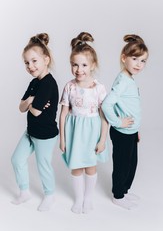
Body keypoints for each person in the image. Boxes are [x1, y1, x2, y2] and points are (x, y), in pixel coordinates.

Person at [59, 32, 109, 214]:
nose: (79, 69)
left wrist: (103, 140)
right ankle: (78, 198)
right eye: (75, 65)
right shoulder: (69, 86)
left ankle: (88, 198)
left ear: (93, 65)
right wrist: (62, 139)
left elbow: (104, 117)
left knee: (90, 165)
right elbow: (63, 114)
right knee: (76, 166)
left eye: (84, 65)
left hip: (92, 131)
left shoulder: (99, 88)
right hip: (74, 132)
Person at [11, 33, 59, 211]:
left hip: (45, 135)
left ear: (46, 59)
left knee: (43, 165)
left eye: (34, 61)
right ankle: (24, 192)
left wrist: (30, 102)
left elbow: (36, 112)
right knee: (17, 159)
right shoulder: (34, 83)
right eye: (27, 62)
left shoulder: (48, 84)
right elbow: (21, 107)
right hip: (31, 132)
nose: (30, 66)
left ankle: (50, 195)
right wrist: (32, 99)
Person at [102, 34, 149, 210]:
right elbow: (106, 104)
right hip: (122, 132)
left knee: (132, 163)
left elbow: (130, 107)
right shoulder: (123, 80)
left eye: (143, 61)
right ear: (124, 58)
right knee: (122, 164)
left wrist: (135, 129)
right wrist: (118, 123)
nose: (139, 64)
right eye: (135, 59)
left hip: (131, 132)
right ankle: (118, 195)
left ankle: (125, 190)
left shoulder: (129, 79)